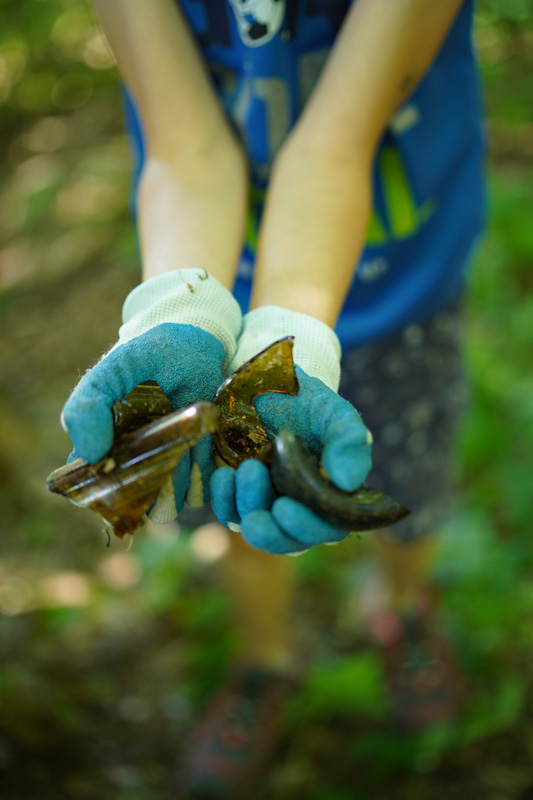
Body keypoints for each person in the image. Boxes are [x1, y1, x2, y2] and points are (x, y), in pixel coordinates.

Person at [61, 0, 485, 795]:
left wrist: (289, 337)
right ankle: (267, 658)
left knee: (407, 488)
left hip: (407, 285)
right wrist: (181, 313)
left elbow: (333, 144)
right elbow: (185, 148)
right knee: (239, 507)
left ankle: (401, 610)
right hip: (220, 275)